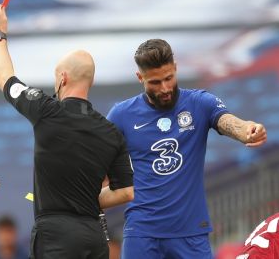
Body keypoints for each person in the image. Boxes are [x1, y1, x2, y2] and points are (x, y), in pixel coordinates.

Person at [0, 5, 134, 259]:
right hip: (94, 234)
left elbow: (5, 78)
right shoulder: (111, 132)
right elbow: (126, 191)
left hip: (55, 234)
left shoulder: (46, 110)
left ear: (63, 78)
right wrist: (86, 199)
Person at [106, 39, 268, 259]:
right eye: (155, 82)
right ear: (140, 78)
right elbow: (101, 165)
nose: (164, 88)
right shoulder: (121, 115)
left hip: (191, 231)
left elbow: (228, 122)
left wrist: (248, 129)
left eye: (168, 78)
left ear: (176, 69)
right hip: (142, 231)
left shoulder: (200, 103)